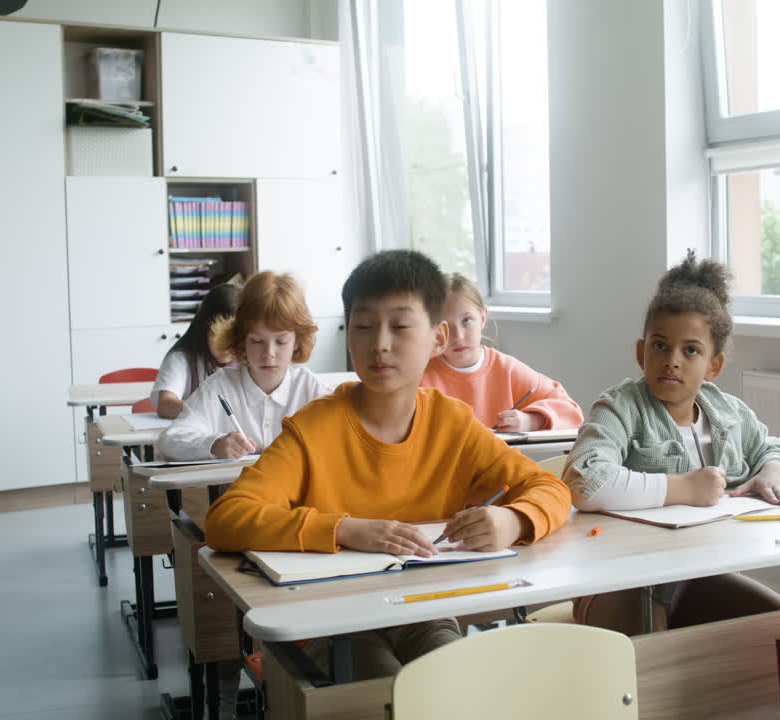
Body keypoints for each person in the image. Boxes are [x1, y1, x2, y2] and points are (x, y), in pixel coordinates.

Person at [206, 250, 572, 680]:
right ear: (348, 336)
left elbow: (550, 488)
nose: (379, 343)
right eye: (363, 326)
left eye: (399, 326)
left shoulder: (451, 423)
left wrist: (513, 519)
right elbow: (226, 519)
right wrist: (345, 528)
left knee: (455, 681)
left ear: (438, 338)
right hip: (331, 620)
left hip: (424, 609)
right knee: (385, 688)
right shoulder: (313, 428)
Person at [562, 250, 780, 633]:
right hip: (616, 581)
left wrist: (775, 472)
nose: (672, 360)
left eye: (690, 350)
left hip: (694, 579)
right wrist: (683, 488)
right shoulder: (621, 407)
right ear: (641, 353)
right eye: (659, 345)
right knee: (655, 641)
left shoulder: (727, 413)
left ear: (714, 366)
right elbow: (584, 480)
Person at [158, 271, 332, 461]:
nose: (269, 353)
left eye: (281, 341)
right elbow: (170, 440)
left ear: (297, 341)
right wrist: (214, 445)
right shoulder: (219, 388)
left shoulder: (312, 390)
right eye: (257, 341)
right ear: (241, 340)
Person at [421, 273, 583, 432]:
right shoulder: (419, 374)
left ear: (482, 317)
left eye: (467, 321)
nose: (458, 336)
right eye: (446, 326)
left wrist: (531, 420)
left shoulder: (506, 369)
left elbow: (572, 412)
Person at [152, 283, 241, 418]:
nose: (230, 345)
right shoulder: (181, 359)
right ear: (205, 327)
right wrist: (211, 411)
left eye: (237, 338)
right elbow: (165, 405)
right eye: (222, 336)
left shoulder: (246, 359)